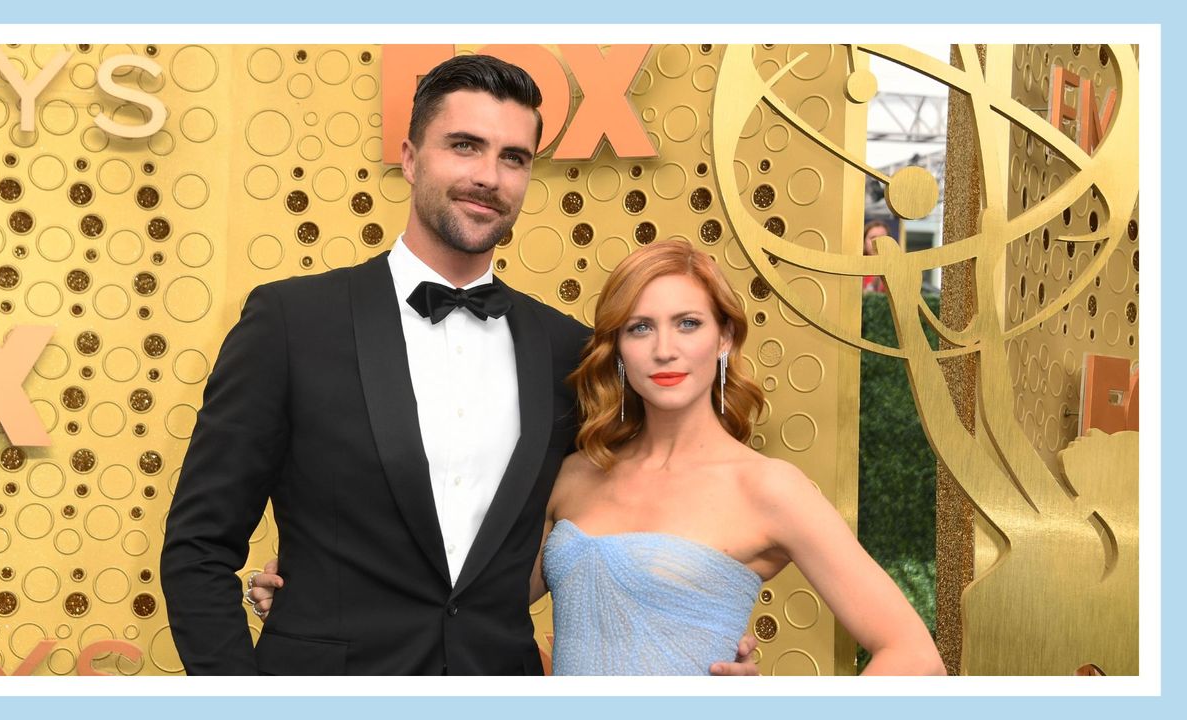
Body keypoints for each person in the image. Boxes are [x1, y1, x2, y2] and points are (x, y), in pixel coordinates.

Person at [160, 54, 758, 676]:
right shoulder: (292, 323)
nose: (489, 177)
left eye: (514, 158)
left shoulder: (572, 353)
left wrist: (701, 630)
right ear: (412, 157)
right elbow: (198, 548)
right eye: (465, 146)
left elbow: (646, 503)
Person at [251, 240, 946, 676]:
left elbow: (914, 656)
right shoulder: (577, 473)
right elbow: (464, 601)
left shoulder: (769, 489)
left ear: (725, 339)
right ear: (615, 347)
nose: (665, 350)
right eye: (640, 328)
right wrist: (318, 586)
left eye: (688, 324)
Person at [862, 219, 889, 293]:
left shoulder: (897, 269)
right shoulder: (855, 269)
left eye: (882, 238)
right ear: (864, 242)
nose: (877, 242)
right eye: (873, 237)